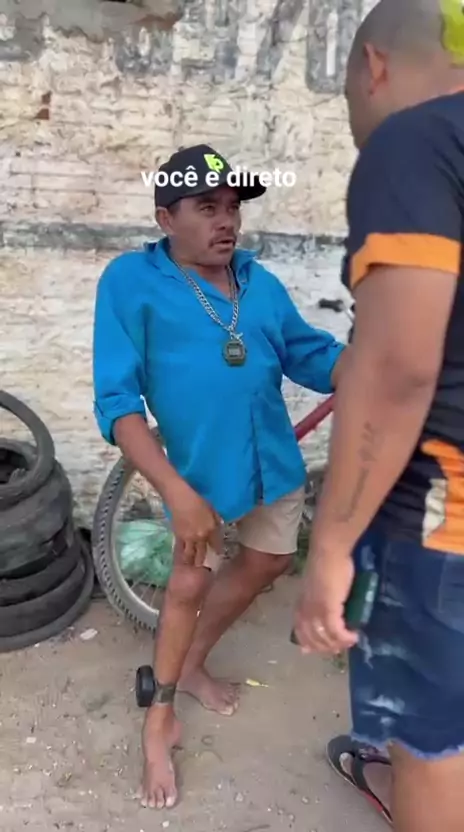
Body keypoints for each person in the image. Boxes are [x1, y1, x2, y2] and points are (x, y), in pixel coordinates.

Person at [92, 143, 348, 810]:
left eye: (232, 207)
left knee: (269, 560)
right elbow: (117, 403)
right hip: (199, 472)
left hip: (272, 460)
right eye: (206, 207)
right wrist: (176, 493)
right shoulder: (131, 283)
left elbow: (309, 354)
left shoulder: (259, 283)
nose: (226, 220)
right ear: (165, 218)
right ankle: (159, 720)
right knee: (187, 585)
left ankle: (192, 662)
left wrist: (372, 362)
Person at [293, 1, 464, 830]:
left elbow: (398, 368)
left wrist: (330, 547)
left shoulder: (415, 142)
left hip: (443, 521)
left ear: (374, 66)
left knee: (432, 744)